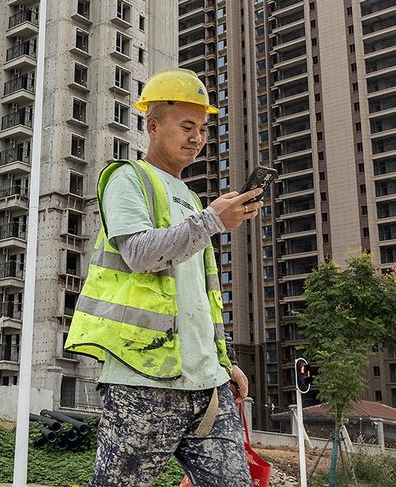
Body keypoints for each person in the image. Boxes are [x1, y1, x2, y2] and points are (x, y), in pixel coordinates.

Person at [65, 68, 264, 487]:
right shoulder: (127, 178)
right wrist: (212, 220)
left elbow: (200, 297)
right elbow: (139, 254)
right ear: (153, 125)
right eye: (187, 126)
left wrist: (223, 362)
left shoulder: (191, 199)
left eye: (203, 129)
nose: (197, 138)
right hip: (143, 380)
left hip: (208, 386)